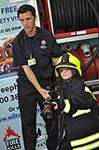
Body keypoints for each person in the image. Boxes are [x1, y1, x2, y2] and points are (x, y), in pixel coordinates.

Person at [12, 4, 63, 150]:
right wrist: (41, 91)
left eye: (28, 19)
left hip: (47, 81)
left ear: (34, 18)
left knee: (52, 121)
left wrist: (62, 79)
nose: (25, 23)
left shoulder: (46, 36)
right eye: (22, 20)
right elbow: (26, 70)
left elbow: (56, 59)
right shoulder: (17, 43)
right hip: (27, 84)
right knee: (28, 123)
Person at [54, 52, 99, 150]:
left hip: (86, 131)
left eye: (67, 69)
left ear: (74, 71)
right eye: (61, 70)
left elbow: (76, 101)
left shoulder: (79, 86)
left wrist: (62, 104)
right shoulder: (63, 88)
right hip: (75, 131)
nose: (64, 73)